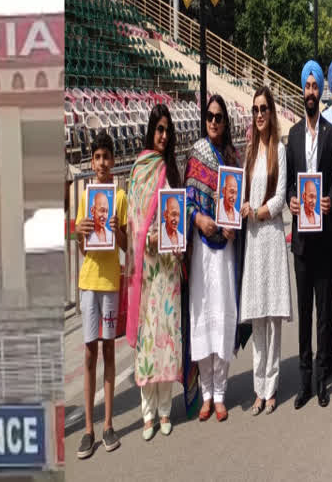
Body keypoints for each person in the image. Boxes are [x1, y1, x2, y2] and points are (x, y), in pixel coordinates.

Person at [186, 95, 249, 422]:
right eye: (210, 116)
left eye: (219, 117)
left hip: (225, 250)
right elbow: (186, 200)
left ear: (226, 122)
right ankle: (206, 392)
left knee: (223, 313)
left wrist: (233, 226)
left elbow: (239, 204)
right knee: (202, 315)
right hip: (201, 249)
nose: (213, 121)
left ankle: (221, 392)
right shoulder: (196, 154)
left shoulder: (233, 157)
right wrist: (198, 219)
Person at [125, 105, 186, 441]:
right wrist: (145, 235)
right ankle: (147, 411)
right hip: (148, 267)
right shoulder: (140, 168)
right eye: (158, 129)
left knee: (167, 337)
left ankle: (165, 409)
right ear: (151, 131)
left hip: (169, 267)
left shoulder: (170, 169)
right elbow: (134, 214)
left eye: (167, 130)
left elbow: (178, 210)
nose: (163, 136)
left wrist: (172, 236)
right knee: (149, 339)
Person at [287, 60, 332, 408]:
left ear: (321, 92)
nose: (310, 91)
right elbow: (291, 180)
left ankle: (323, 377)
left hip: (326, 235)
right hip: (301, 238)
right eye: (306, 86)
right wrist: (293, 199)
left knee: (325, 310)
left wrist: (329, 199)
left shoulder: (331, 133)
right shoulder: (291, 135)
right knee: (304, 310)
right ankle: (304, 380)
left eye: (314, 86)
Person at [239, 87, 292, 415]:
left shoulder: (278, 151)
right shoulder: (248, 153)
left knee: (272, 318)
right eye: (255, 109)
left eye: (264, 109)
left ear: (271, 113)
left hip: (271, 237)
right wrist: (241, 206)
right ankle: (257, 388)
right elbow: (240, 194)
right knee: (257, 317)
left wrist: (256, 212)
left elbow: (280, 196)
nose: (259, 115)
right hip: (253, 243)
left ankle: (271, 386)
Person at [75, 132, 128, 458]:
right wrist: (78, 232)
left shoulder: (119, 198)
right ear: (92, 161)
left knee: (108, 350)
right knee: (88, 354)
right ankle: (88, 429)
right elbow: (83, 248)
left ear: (113, 160)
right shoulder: (86, 197)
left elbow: (124, 245)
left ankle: (108, 424)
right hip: (88, 281)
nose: (102, 163)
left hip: (110, 281)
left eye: (107, 157)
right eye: (97, 157)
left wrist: (117, 227)